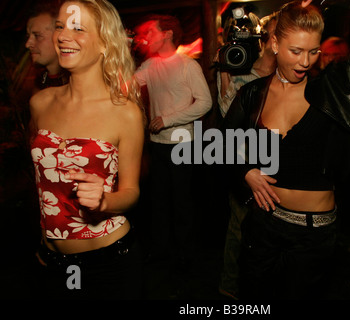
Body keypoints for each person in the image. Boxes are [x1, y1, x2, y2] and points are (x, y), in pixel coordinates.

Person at [222, 0, 350, 299]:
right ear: (274, 43)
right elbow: (222, 142)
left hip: (314, 235)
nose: (305, 61)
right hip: (264, 225)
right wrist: (246, 171)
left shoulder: (334, 86)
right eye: (295, 51)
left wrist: (340, 2)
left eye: (313, 51)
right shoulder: (252, 94)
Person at [30, 0, 145, 299]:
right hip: (51, 259)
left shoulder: (125, 112)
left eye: (78, 28)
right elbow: (42, 185)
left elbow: (132, 192)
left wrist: (104, 201)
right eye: (60, 26)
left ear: (105, 42)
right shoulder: (40, 103)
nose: (64, 35)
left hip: (107, 261)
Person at [133, 14, 212, 297]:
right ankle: (161, 252)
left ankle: (185, 255)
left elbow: (205, 102)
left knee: (181, 202)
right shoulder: (150, 65)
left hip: (182, 143)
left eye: (151, 32)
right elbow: (126, 86)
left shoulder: (188, 66)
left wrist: (167, 119)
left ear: (167, 34)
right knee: (158, 200)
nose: (147, 37)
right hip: (157, 143)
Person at [217, 13, 278, 300]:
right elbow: (227, 119)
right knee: (238, 230)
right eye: (278, 34)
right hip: (245, 165)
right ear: (267, 41)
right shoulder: (240, 69)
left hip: (278, 166)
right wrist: (224, 69)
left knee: (272, 236)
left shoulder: (290, 78)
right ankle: (230, 289)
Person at [25, 1, 69, 94]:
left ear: (60, 36)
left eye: (37, 36)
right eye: (28, 36)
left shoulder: (75, 87)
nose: (28, 44)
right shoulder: (38, 83)